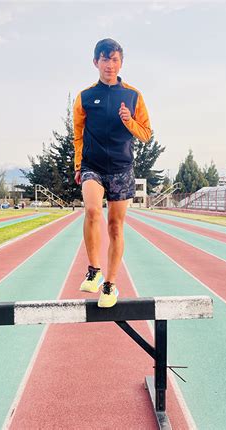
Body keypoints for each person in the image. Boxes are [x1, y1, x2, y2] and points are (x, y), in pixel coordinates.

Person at [73, 38, 151, 308]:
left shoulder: (133, 95)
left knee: (115, 226)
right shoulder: (84, 97)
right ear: (96, 62)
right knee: (92, 211)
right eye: (105, 59)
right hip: (92, 165)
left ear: (121, 63)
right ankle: (94, 271)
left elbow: (146, 134)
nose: (110, 65)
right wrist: (78, 165)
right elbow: (78, 135)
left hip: (121, 167)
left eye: (115, 59)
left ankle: (110, 284)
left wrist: (129, 121)